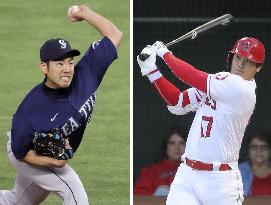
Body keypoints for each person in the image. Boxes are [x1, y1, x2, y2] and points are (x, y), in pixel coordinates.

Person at [0, 4, 122, 205]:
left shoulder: (88, 73)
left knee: (17, 202)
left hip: (39, 152)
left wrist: (85, 12)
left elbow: (114, 34)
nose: (66, 69)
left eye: (70, 62)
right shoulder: (31, 111)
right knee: (74, 192)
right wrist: (53, 162)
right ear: (44, 67)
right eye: (59, 63)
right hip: (27, 152)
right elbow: (20, 153)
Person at [136, 36, 265, 205]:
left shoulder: (241, 89)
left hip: (221, 182)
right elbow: (178, 102)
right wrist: (151, 70)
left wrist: (165, 54)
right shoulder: (221, 81)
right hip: (187, 175)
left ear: (258, 67)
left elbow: (192, 76)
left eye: (248, 61)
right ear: (231, 57)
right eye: (238, 57)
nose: (241, 64)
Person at [134, 127, 187, 196]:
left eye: (181, 143)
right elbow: (139, 197)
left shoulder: (194, 171)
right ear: (166, 146)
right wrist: (156, 196)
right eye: (172, 143)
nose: (177, 147)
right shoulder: (149, 172)